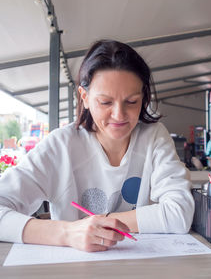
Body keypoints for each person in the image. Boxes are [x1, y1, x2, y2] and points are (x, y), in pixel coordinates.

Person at [0, 40, 194, 252]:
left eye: (132, 102)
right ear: (85, 97)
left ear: (144, 98)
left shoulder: (154, 137)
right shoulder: (60, 146)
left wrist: (102, 223)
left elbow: (179, 212)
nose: (119, 115)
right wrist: (68, 233)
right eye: (105, 102)